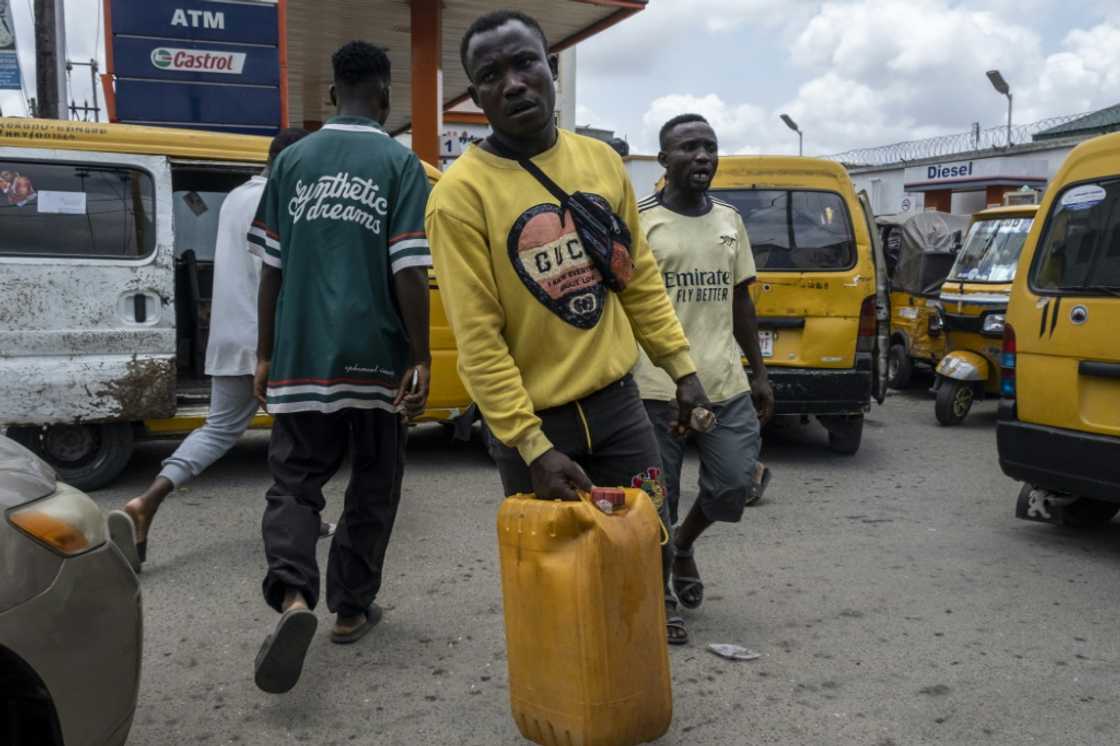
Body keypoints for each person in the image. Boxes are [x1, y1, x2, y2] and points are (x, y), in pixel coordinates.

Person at [426, 10, 711, 646]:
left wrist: (683, 370)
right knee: (555, 576)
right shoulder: (459, 197)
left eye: (526, 62)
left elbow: (636, 278)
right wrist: (531, 446)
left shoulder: (602, 164)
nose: (515, 83)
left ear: (550, 66)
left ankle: (635, 658)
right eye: (491, 75)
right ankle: (568, 691)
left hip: (619, 408)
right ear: (476, 97)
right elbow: (479, 343)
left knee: (646, 538)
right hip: (535, 423)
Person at [249, 40, 432, 694]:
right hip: (376, 359)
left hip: (300, 356)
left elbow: (269, 268)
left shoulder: (292, 160)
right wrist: (421, 355)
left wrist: (266, 351)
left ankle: (294, 597)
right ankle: (351, 610)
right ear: (384, 96)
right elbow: (409, 268)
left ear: (332, 95)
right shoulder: (399, 162)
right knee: (374, 485)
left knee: (295, 485)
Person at [109, 128, 312, 573]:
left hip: (228, 336)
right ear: (293, 162)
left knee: (219, 429)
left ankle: (148, 499)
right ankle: (297, 522)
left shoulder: (238, 196)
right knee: (299, 436)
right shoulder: (279, 201)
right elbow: (279, 277)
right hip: (269, 340)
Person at [634, 114, 775, 614]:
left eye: (710, 148)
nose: (702, 157)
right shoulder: (641, 220)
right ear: (663, 159)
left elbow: (741, 301)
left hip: (724, 381)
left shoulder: (729, 220)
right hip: (656, 387)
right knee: (656, 498)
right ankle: (659, 599)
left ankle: (685, 544)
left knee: (735, 482)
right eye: (689, 148)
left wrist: (758, 371)